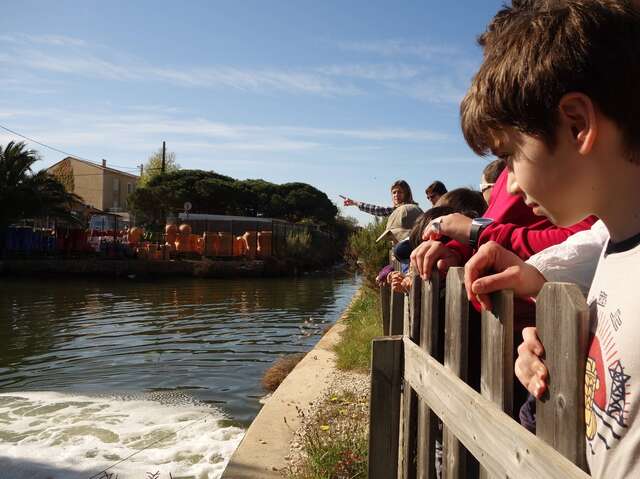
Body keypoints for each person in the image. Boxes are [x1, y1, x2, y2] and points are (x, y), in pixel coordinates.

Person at [458, 1, 640, 476]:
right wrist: (569, 351)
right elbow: (590, 245)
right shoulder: (614, 239)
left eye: (511, 154)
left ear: (577, 124)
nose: (512, 184)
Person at [342, 180, 416, 217]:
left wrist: (355, 203)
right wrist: (355, 203)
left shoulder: (405, 209)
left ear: (406, 194)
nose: (396, 195)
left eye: (399, 192)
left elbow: (377, 210)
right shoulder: (401, 208)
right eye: (394, 192)